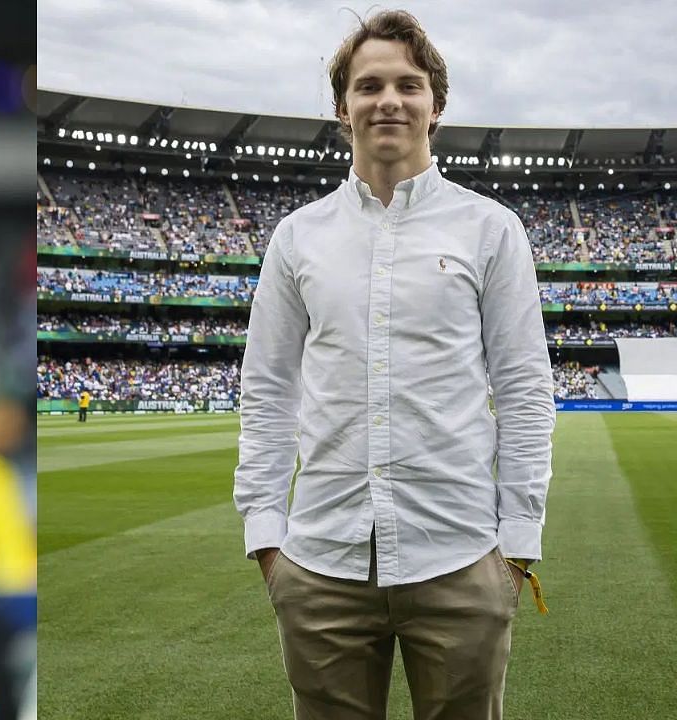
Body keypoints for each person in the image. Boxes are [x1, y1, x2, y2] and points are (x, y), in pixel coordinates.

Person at [233, 10, 553, 720]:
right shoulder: (298, 237)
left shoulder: (490, 228)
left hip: (459, 554)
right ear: (343, 106)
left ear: (435, 104)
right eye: (368, 84)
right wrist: (266, 536)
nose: (389, 100)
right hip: (319, 563)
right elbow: (267, 388)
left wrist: (516, 549)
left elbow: (526, 389)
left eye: (408, 85)